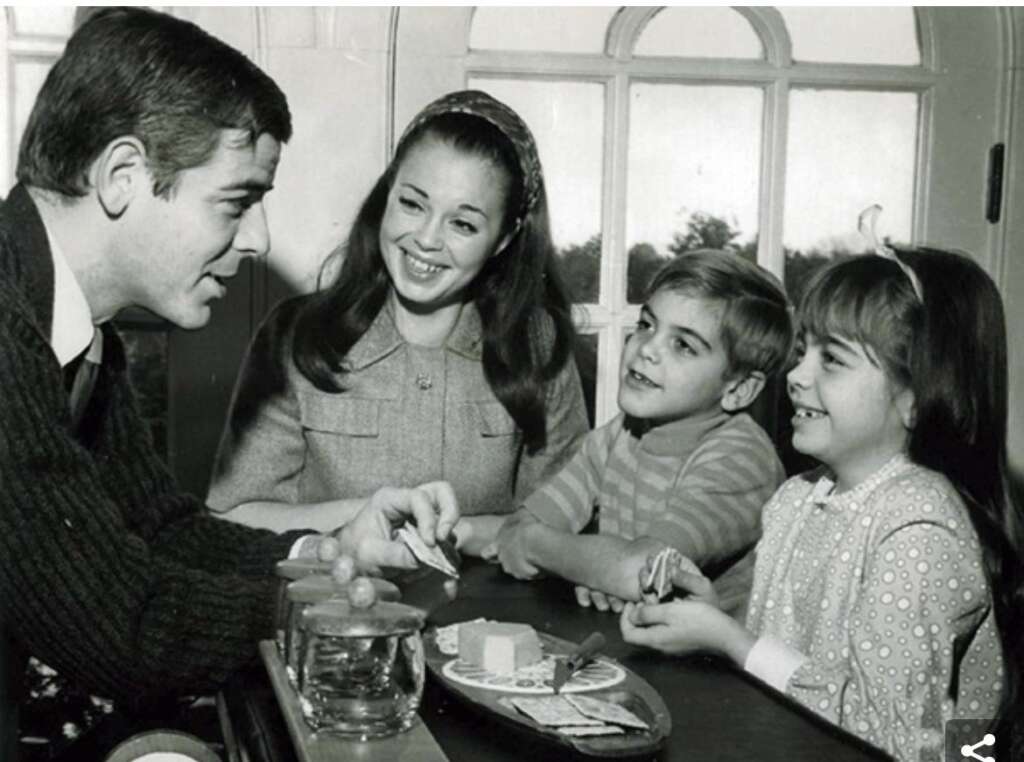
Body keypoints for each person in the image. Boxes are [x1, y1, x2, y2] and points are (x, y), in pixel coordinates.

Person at [0, 9, 459, 761]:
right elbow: (125, 624)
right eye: (237, 200)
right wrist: (318, 608)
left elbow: (162, 532)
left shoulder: (77, 331)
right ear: (124, 176)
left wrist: (329, 551)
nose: (259, 239)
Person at [620, 248, 1024, 761]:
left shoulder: (920, 530)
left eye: (831, 358)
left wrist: (731, 642)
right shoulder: (798, 498)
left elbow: (894, 741)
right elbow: (793, 661)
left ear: (917, 396)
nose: (796, 374)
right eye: (803, 350)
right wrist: (713, 614)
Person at [206, 89, 589, 555]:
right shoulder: (295, 335)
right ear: (387, 195)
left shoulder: (539, 347)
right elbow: (232, 516)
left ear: (504, 239)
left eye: (463, 224)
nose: (426, 238)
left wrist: (460, 532)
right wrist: (367, 520)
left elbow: (560, 527)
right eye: (412, 203)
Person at [493, 250, 793, 612]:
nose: (647, 348)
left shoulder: (742, 459)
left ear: (738, 389)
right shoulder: (622, 433)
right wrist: (597, 567)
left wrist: (544, 549)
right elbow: (520, 527)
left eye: (683, 345)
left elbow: (644, 570)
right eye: (647, 325)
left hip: (715, 664)